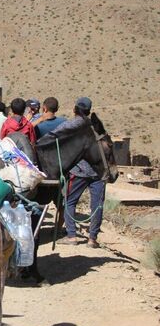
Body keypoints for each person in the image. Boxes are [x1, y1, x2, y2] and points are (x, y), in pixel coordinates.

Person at [54, 97, 106, 248]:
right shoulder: (96, 127)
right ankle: (92, 239)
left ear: (75, 109)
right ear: (89, 111)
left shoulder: (69, 125)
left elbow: (53, 138)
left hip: (78, 170)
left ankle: (72, 236)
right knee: (97, 205)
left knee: (69, 201)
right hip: (98, 171)